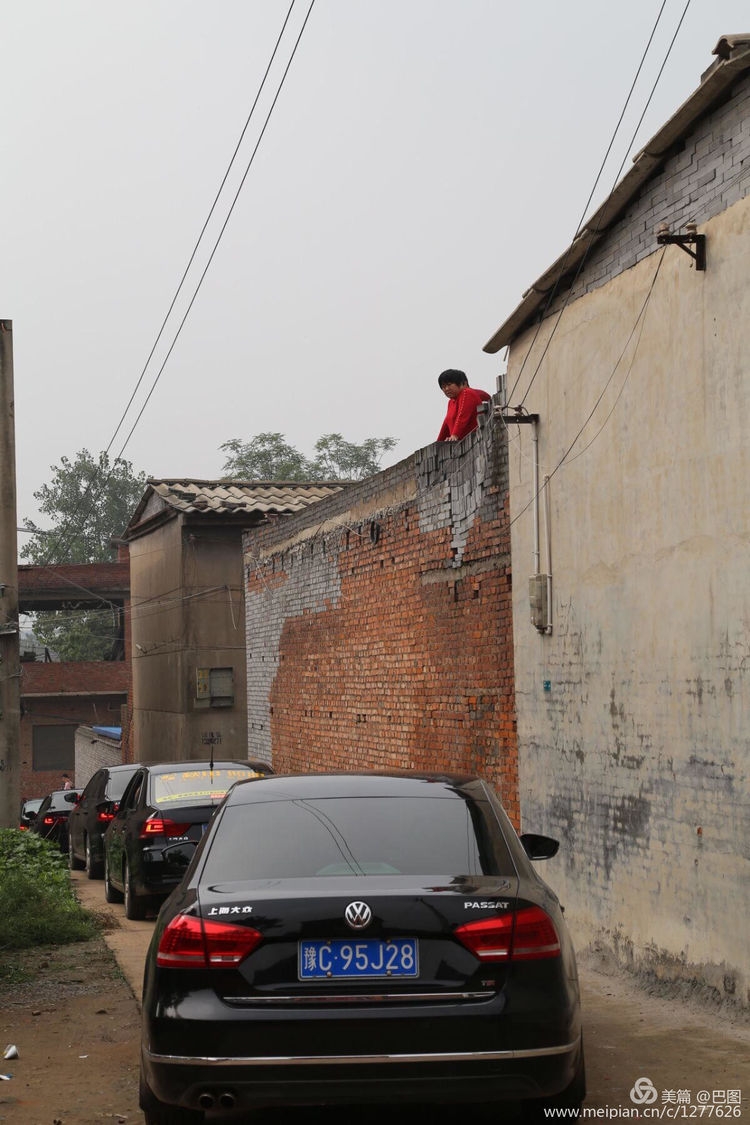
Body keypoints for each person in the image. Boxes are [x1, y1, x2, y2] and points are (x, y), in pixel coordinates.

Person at [436, 369, 491, 442]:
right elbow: (446, 424)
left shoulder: (467, 392)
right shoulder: (451, 402)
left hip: (474, 441)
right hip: (461, 443)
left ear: (463, 383)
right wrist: (438, 443)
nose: (446, 389)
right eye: (443, 387)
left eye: (449, 385)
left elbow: (462, 416)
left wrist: (455, 435)